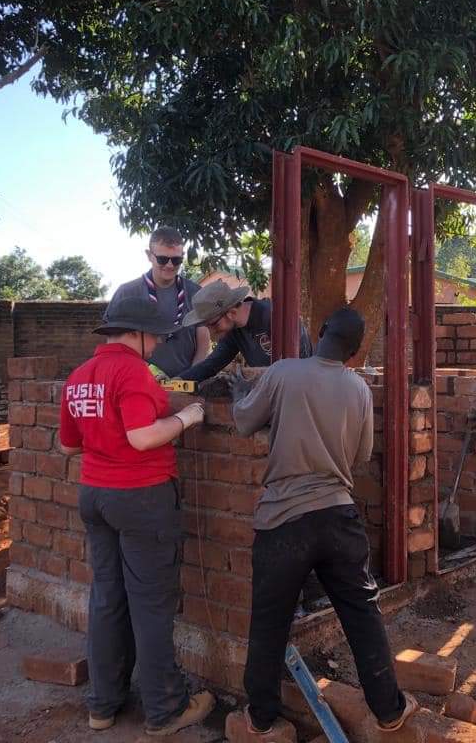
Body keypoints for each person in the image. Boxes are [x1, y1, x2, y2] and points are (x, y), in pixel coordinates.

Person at [230, 306, 418, 737]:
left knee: (270, 621)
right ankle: (389, 710)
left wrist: (240, 391)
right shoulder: (359, 390)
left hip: (283, 520)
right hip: (339, 518)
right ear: (353, 353)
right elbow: (361, 456)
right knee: (361, 613)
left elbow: (243, 423)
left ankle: (260, 718)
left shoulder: (283, 373)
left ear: (320, 332)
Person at [58, 296, 215, 736]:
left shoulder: (79, 376)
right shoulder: (131, 371)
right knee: (151, 603)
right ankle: (165, 709)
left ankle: (102, 705)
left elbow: (69, 446)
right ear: (136, 334)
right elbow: (144, 437)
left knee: (107, 597)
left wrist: (104, 441)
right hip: (141, 497)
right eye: (157, 338)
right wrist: (188, 417)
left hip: (95, 496)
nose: (159, 346)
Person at [106, 226, 211, 378]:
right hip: (137, 381)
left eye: (176, 260)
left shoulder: (195, 292)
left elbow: (203, 343)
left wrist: (191, 378)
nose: (169, 265)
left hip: (184, 384)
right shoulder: (126, 292)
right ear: (149, 255)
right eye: (162, 259)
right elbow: (113, 343)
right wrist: (142, 374)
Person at [175, 279, 313, 383]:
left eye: (213, 324)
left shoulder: (274, 317)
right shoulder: (234, 332)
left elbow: (298, 368)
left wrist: (247, 374)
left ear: (231, 312)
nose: (210, 333)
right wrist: (175, 383)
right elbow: (210, 365)